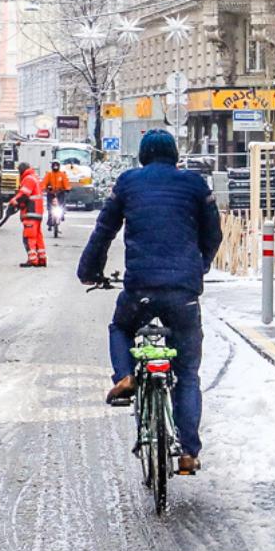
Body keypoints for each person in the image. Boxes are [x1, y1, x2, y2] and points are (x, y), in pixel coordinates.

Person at [78, 130, 222, 475]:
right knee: (186, 372)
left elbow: (104, 230)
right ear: (174, 154)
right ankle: (188, 451)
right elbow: (213, 234)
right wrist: (198, 267)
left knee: (120, 326)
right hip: (183, 294)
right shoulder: (196, 186)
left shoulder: (128, 183)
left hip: (140, 287)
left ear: (143, 155)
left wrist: (90, 271)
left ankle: (125, 375)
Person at [15, 163, 48, 267]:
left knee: (29, 237)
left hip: (30, 212)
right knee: (37, 237)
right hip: (37, 213)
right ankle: (41, 258)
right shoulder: (34, 178)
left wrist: (14, 202)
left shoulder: (28, 179)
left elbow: (24, 194)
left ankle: (32, 259)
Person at [43, 164, 71, 237]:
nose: (55, 167)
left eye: (57, 165)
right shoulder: (49, 174)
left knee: (61, 205)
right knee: (50, 208)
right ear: (52, 166)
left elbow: (66, 182)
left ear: (59, 166)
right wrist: (44, 188)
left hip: (60, 193)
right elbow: (44, 183)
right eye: (54, 165)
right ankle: (50, 221)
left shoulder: (62, 174)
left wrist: (67, 188)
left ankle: (61, 215)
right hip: (51, 193)